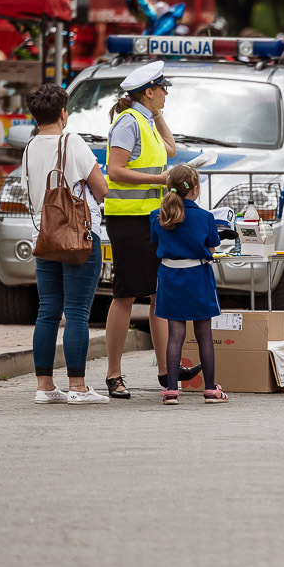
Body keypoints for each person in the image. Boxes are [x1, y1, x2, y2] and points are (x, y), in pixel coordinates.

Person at [21, 84, 110, 404]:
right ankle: (78, 386)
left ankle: (44, 386)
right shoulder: (71, 142)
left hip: (45, 238)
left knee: (47, 311)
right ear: (62, 113)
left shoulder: (29, 147)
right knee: (76, 312)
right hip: (78, 237)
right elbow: (101, 188)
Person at [104, 60, 177, 398]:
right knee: (125, 295)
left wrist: (157, 114)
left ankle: (166, 370)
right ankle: (114, 374)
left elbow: (171, 149)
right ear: (149, 91)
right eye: (162, 89)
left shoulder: (145, 120)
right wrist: (159, 180)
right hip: (128, 219)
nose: (166, 94)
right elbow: (115, 170)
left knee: (158, 293)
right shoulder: (128, 122)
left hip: (150, 218)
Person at [150, 164, 229, 405]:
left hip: (169, 277)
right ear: (195, 189)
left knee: (175, 335)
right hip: (197, 277)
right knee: (204, 335)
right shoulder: (205, 217)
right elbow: (211, 249)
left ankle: (172, 390)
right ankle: (210, 389)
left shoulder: (157, 215)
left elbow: (155, 242)